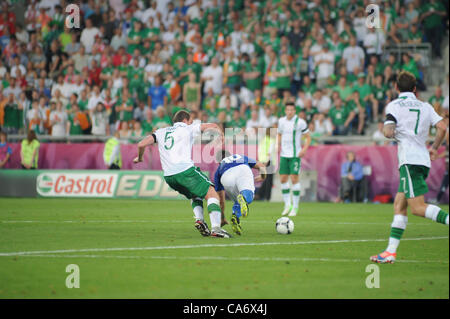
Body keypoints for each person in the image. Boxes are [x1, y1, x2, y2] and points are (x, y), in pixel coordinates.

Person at [371, 71, 449, 264]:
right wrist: (434, 148)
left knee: (417, 208)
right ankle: (390, 252)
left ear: (396, 88)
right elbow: (442, 127)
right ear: (415, 89)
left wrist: (393, 132)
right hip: (422, 159)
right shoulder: (425, 106)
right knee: (399, 204)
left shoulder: (394, 106)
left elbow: (388, 132)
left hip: (409, 160)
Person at [133, 110, 231, 238]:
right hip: (185, 171)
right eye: (190, 121)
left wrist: (140, 158)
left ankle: (200, 220)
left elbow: (141, 144)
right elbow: (211, 126)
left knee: (195, 195)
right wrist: (220, 132)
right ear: (185, 120)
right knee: (212, 193)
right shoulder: (187, 128)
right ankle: (216, 228)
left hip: (169, 177)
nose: (191, 123)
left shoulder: (161, 132)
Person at [214, 151, 267, 235]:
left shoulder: (218, 170)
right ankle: (244, 198)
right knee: (248, 195)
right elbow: (261, 166)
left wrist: (222, 218)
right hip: (242, 169)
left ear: (218, 161)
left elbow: (221, 200)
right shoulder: (240, 157)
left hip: (226, 177)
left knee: (237, 200)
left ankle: (235, 216)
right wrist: (263, 176)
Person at [278, 103, 311, 217]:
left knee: (294, 178)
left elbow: (308, 137)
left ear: (295, 111)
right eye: (288, 109)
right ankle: (287, 205)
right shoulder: (281, 121)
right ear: (285, 111)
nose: (289, 112)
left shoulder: (300, 122)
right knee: (283, 179)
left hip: (295, 154)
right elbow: (279, 134)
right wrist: (278, 145)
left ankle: (295, 207)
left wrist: (304, 149)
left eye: (292, 110)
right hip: (284, 154)